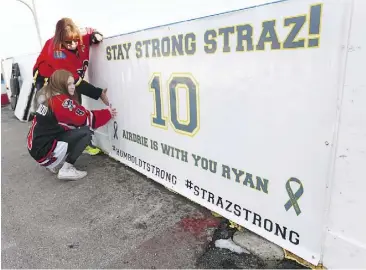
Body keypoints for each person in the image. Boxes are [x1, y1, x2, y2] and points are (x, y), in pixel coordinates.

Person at [32, 17, 108, 155]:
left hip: (68, 79)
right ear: (60, 40)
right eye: (68, 42)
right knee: (55, 114)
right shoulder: (56, 52)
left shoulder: (80, 36)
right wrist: (99, 93)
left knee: (75, 106)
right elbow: (76, 81)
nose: (73, 44)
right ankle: (50, 152)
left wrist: (95, 36)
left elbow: (91, 32)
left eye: (75, 40)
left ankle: (80, 142)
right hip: (47, 80)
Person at [27, 69, 117, 180]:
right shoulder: (62, 102)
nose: (73, 87)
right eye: (68, 84)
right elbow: (86, 119)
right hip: (44, 152)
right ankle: (66, 169)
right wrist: (108, 113)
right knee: (86, 133)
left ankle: (52, 163)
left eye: (73, 83)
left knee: (70, 127)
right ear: (60, 84)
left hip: (35, 148)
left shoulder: (48, 97)